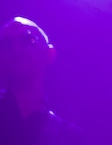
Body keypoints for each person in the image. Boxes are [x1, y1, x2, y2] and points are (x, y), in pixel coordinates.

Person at [0, 17, 84, 145]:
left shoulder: (67, 137)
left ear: (49, 54)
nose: (15, 48)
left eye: (28, 40)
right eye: (7, 44)